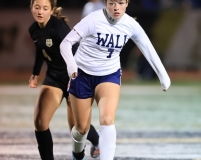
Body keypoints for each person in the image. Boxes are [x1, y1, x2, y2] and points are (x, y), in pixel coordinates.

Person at [60, 0, 171, 159]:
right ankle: (77, 153)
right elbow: (65, 43)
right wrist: (71, 66)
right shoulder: (93, 19)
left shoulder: (130, 24)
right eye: (112, 3)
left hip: (109, 74)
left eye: (120, 2)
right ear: (105, 3)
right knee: (81, 129)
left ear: (127, 3)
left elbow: (147, 48)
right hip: (82, 75)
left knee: (107, 119)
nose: (116, 7)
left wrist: (163, 76)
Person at [28, 0, 100, 159]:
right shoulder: (33, 29)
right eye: (37, 7)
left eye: (45, 8)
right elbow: (40, 50)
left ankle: (98, 140)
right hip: (54, 78)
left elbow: (76, 51)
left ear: (51, 10)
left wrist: (77, 79)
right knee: (40, 122)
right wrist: (35, 74)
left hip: (75, 78)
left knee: (78, 128)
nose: (40, 11)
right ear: (31, 8)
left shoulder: (59, 28)